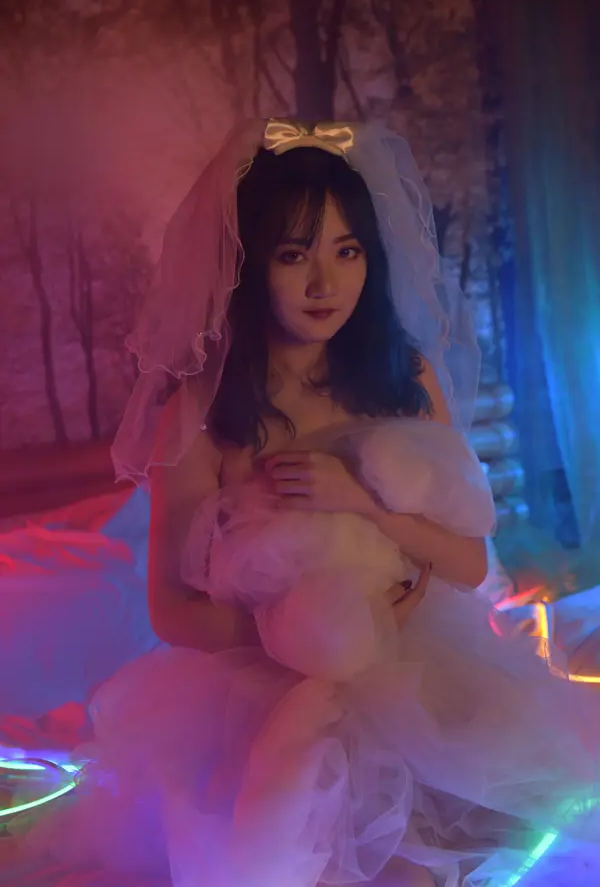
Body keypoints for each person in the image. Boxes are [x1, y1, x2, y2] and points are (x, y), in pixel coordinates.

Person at [14, 120, 600, 887]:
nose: (326, 283)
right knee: (300, 835)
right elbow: (169, 609)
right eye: (295, 255)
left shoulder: (402, 378)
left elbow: (467, 562)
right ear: (250, 265)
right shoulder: (203, 410)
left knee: (436, 846)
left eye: (347, 252)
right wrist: (303, 636)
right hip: (267, 682)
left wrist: (366, 507)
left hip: (416, 663)